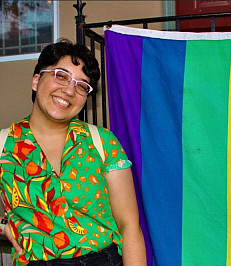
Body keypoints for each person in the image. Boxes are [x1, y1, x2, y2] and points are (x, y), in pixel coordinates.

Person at [0, 40, 146, 266]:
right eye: (61, 75)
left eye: (81, 86)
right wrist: (3, 225)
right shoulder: (4, 144)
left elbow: (129, 228)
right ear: (36, 80)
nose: (69, 90)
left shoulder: (102, 142)